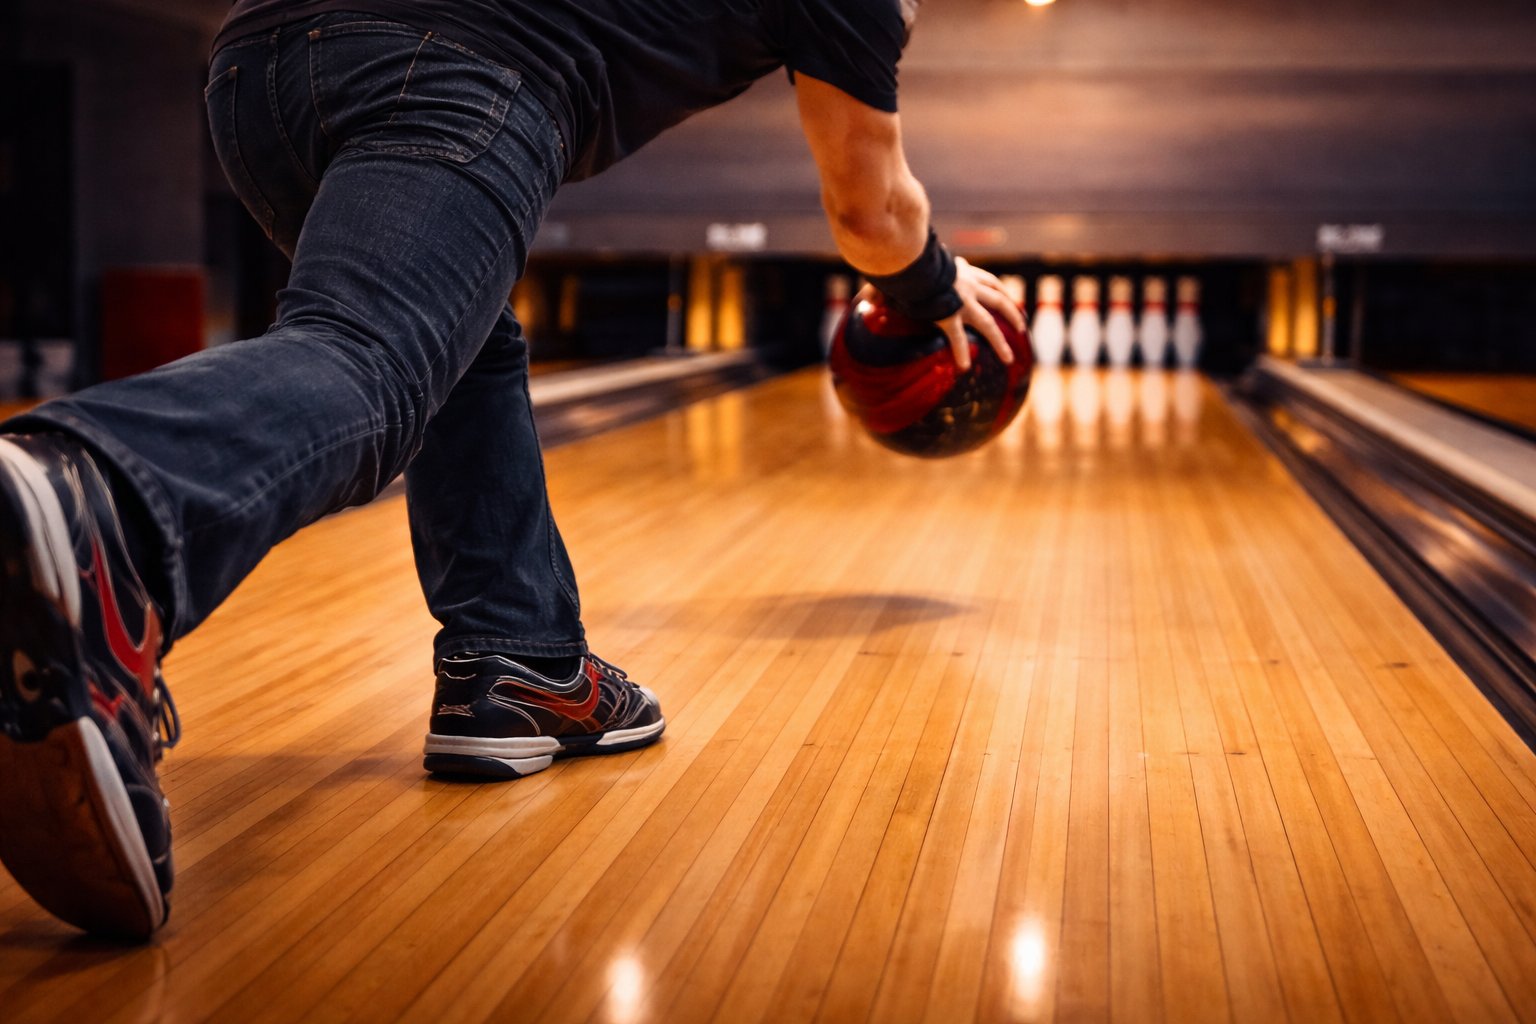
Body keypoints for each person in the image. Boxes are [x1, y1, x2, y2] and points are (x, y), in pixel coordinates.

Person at [0, 0, 1025, 940]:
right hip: (459, 63)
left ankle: (521, 656)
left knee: (459, 344)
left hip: (258, 63)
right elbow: (872, 214)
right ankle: (111, 502)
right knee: (376, 358)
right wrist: (936, 284)